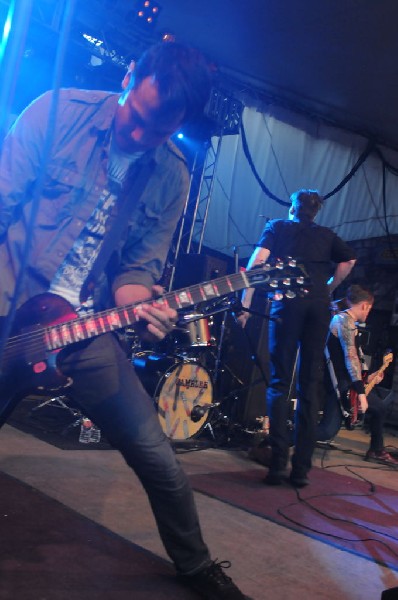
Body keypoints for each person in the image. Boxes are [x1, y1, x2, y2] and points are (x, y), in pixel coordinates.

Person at [0, 42, 250, 599]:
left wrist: (145, 310)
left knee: (157, 455)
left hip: (80, 326)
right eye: (135, 119)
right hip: (8, 301)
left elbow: (136, 272)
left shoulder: (172, 176)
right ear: (129, 76)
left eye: (158, 133)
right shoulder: (57, 111)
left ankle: (196, 565)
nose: (139, 138)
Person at [237, 189, 356, 487]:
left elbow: (256, 264)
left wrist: (246, 304)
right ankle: (301, 470)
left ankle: (278, 465)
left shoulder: (277, 227)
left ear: (292, 207)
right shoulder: (327, 235)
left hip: (288, 303)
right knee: (309, 384)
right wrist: (329, 287)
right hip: (318, 306)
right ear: (316, 212)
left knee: (279, 381)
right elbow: (349, 262)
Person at [317, 285, 397, 464]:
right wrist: (361, 393)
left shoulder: (350, 323)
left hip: (349, 382)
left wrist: (369, 377)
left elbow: (356, 362)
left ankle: (376, 450)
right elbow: (349, 358)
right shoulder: (343, 321)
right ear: (364, 306)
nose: (369, 312)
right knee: (326, 431)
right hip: (341, 385)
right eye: (369, 308)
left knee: (379, 408)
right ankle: (279, 438)